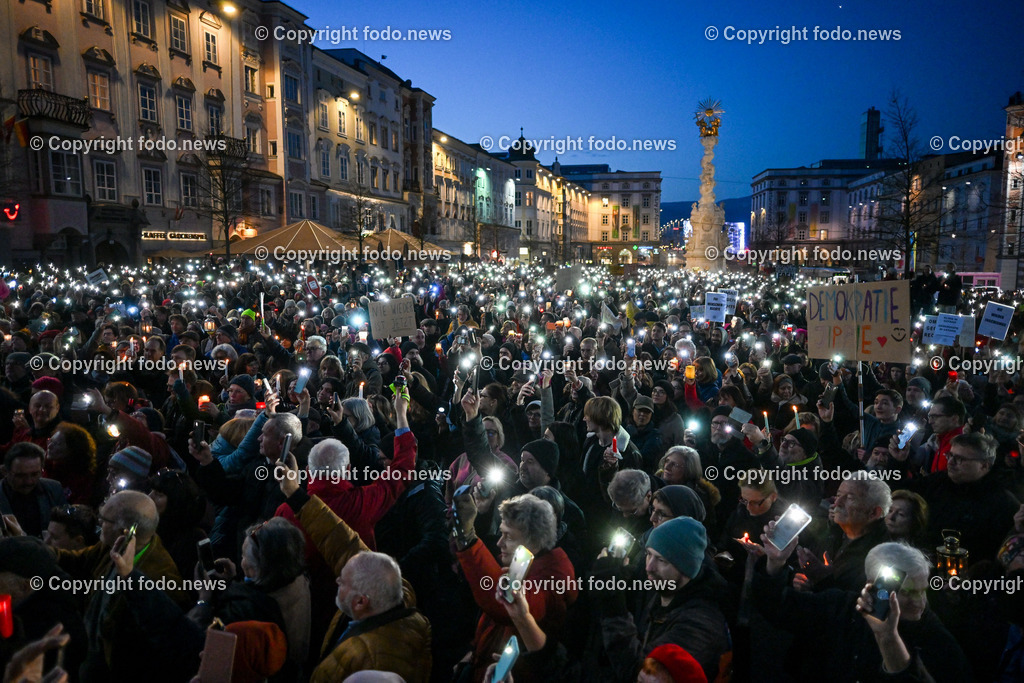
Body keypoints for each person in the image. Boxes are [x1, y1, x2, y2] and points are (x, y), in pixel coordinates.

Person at [752, 539, 972, 681]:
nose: (919, 602)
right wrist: (774, 563)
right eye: (907, 592)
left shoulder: (933, 636)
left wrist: (889, 639)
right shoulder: (839, 606)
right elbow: (777, 608)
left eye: (922, 590)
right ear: (873, 582)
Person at [452, 492, 577, 683]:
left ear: (532, 541)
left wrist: (467, 536)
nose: (499, 542)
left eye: (507, 536)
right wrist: (474, 652)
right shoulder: (524, 566)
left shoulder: (551, 580)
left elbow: (505, 606)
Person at [598, 516, 729, 681]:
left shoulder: (700, 625)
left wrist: (612, 605)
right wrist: (620, 580)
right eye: (648, 554)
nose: (649, 567)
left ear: (685, 567)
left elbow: (640, 673)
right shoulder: (666, 588)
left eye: (661, 560)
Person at [0, 442, 66, 537]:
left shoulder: (54, 488)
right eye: (20, 476)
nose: (29, 481)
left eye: (35, 474)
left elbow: (68, 523)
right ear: (5, 471)